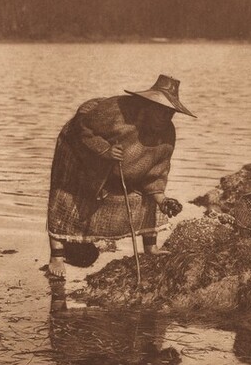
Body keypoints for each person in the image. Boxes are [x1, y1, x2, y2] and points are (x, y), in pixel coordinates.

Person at [47, 74, 196, 279]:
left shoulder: (167, 134)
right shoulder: (117, 111)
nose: (165, 117)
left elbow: (156, 175)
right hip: (77, 148)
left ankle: (150, 248)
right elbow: (81, 127)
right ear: (147, 104)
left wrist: (163, 200)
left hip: (114, 166)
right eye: (160, 110)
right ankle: (57, 256)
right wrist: (104, 150)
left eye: (170, 112)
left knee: (143, 199)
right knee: (66, 195)